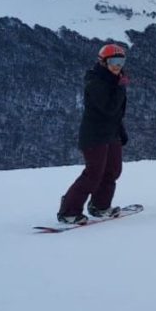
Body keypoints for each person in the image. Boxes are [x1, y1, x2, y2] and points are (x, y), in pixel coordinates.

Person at [57, 43, 130, 224]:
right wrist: (120, 88)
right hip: (94, 135)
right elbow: (109, 109)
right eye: (113, 61)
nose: (117, 66)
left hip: (110, 134)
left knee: (112, 170)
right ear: (103, 62)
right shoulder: (96, 82)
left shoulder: (114, 81)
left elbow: (116, 114)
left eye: (121, 62)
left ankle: (100, 206)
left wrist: (120, 132)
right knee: (93, 174)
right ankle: (68, 211)